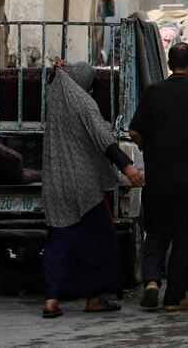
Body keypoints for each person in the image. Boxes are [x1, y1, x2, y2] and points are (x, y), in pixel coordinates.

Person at [41, 61, 145, 318]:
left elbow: (54, 79)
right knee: (100, 240)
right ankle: (95, 298)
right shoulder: (85, 104)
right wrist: (128, 167)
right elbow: (104, 139)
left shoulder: (54, 96)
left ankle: (51, 300)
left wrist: (59, 71)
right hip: (83, 184)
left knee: (59, 242)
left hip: (54, 183)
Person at [129, 43, 188, 312]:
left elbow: (135, 132)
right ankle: (174, 298)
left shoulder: (152, 92)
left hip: (158, 178)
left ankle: (151, 282)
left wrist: (152, 146)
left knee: (156, 232)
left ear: (170, 64)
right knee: (184, 237)